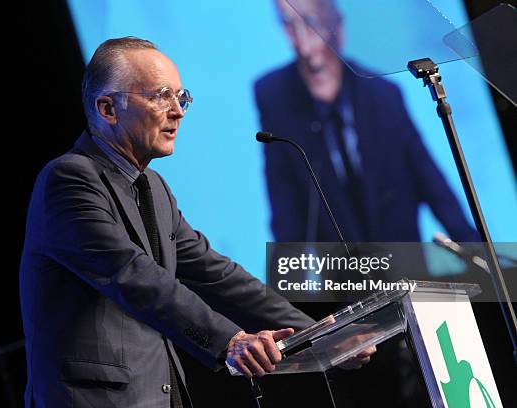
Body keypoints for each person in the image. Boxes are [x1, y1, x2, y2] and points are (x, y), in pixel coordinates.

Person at [20, 37, 374, 408]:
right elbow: (134, 277)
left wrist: (318, 334)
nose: (178, 111)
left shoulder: (154, 188)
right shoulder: (67, 181)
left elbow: (216, 273)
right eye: (160, 96)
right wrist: (230, 339)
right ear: (108, 108)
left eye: (181, 97)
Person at [255, 0, 479, 244]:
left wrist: (482, 255)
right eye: (288, 24)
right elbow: (284, 205)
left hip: (404, 266)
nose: (304, 43)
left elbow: (430, 182)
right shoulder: (273, 95)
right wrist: (281, 280)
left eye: (310, 22)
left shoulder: (383, 95)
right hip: (341, 274)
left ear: (336, 25)